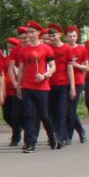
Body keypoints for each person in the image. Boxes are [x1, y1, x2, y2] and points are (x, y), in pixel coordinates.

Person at [10, 23, 56, 151]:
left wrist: (45, 75)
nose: (29, 35)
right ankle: (30, 143)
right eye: (28, 32)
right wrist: (19, 86)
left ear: (38, 33)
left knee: (44, 114)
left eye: (32, 32)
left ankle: (52, 136)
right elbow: (21, 70)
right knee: (28, 114)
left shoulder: (46, 48)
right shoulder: (23, 50)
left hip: (42, 86)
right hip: (27, 86)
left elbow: (53, 67)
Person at [57, 26, 89, 145]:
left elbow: (86, 67)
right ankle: (79, 130)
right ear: (66, 37)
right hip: (65, 82)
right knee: (65, 109)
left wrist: (75, 64)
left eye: (74, 36)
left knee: (71, 109)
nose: (72, 38)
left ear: (77, 37)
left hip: (78, 81)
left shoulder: (82, 49)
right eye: (70, 36)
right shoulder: (64, 48)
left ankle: (69, 135)